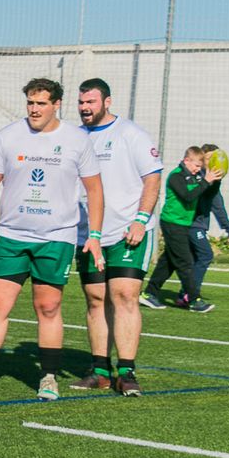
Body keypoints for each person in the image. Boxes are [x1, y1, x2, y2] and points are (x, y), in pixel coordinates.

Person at [0, 78, 103, 402]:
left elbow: (95, 190)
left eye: (41, 103)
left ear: (56, 104)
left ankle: (48, 378)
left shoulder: (76, 140)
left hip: (56, 238)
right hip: (12, 237)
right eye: (30, 102)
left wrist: (95, 236)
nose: (34, 109)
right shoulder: (8, 136)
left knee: (48, 306)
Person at [68, 78, 162, 397]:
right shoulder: (73, 137)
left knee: (123, 295)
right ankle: (99, 371)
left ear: (107, 102)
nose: (84, 108)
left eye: (90, 102)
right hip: (89, 235)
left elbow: (152, 179)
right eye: (81, 102)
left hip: (127, 231)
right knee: (96, 299)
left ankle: (127, 371)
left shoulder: (130, 134)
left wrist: (140, 219)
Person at [143, 147, 222, 313]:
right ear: (186, 161)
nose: (197, 169)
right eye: (195, 165)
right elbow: (188, 196)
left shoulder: (194, 177)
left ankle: (149, 293)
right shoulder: (176, 176)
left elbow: (206, 193)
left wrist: (216, 180)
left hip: (183, 224)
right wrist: (205, 181)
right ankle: (194, 300)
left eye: (200, 167)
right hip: (172, 223)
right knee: (185, 262)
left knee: (169, 262)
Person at [188, 143, 229, 304]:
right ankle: (190, 295)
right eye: (208, 158)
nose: (212, 161)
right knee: (205, 255)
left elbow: (217, 205)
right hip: (189, 224)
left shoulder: (213, 181)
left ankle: (152, 292)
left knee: (176, 261)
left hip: (198, 225)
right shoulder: (195, 176)